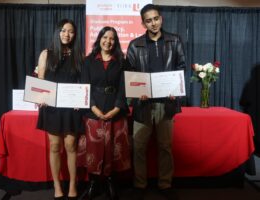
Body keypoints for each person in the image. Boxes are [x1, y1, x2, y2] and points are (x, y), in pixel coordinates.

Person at [126, 3, 186, 199]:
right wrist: (138, 92)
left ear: (161, 18)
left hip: (166, 102)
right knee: (139, 147)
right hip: (143, 103)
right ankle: (140, 184)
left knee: (165, 146)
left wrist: (175, 90)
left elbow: (181, 67)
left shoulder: (174, 41)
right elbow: (131, 74)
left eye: (156, 19)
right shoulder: (135, 45)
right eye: (148, 20)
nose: (153, 23)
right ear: (143, 23)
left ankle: (165, 184)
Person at [79, 26, 131, 200]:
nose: (108, 41)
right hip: (93, 112)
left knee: (112, 150)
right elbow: (85, 87)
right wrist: (94, 109)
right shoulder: (88, 61)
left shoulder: (122, 61)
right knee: (94, 149)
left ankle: (110, 182)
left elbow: (124, 88)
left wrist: (116, 109)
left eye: (112, 38)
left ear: (115, 42)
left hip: (116, 110)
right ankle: (93, 183)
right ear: (99, 38)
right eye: (105, 37)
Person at [36, 19, 83, 200]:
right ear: (57, 32)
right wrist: (41, 97)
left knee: (71, 146)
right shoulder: (46, 54)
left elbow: (83, 82)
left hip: (71, 107)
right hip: (52, 107)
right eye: (63, 30)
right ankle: (57, 184)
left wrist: (81, 98)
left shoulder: (79, 55)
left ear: (74, 35)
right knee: (55, 146)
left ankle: (72, 184)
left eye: (70, 31)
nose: (66, 34)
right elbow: (40, 82)